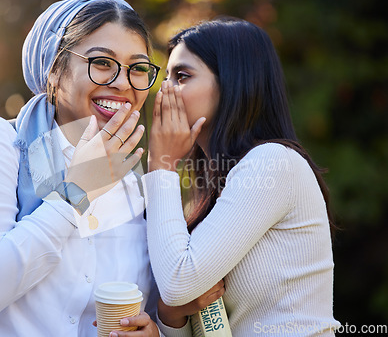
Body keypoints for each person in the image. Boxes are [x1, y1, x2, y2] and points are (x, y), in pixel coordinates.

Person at [0, 0, 181, 337]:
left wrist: (152, 332)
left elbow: (141, 310)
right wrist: (76, 192)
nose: (122, 82)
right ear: (54, 69)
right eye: (102, 62)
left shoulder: (135, 189)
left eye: (138, 68)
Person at [143, 17, 342, 336]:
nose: (165, 90)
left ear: (233, 83)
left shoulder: (274, 163)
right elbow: (191, 305)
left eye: (182, 76)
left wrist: (161, 163)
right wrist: (169, 315)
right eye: (166, 77)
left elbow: (177, 282)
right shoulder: (219, 181)